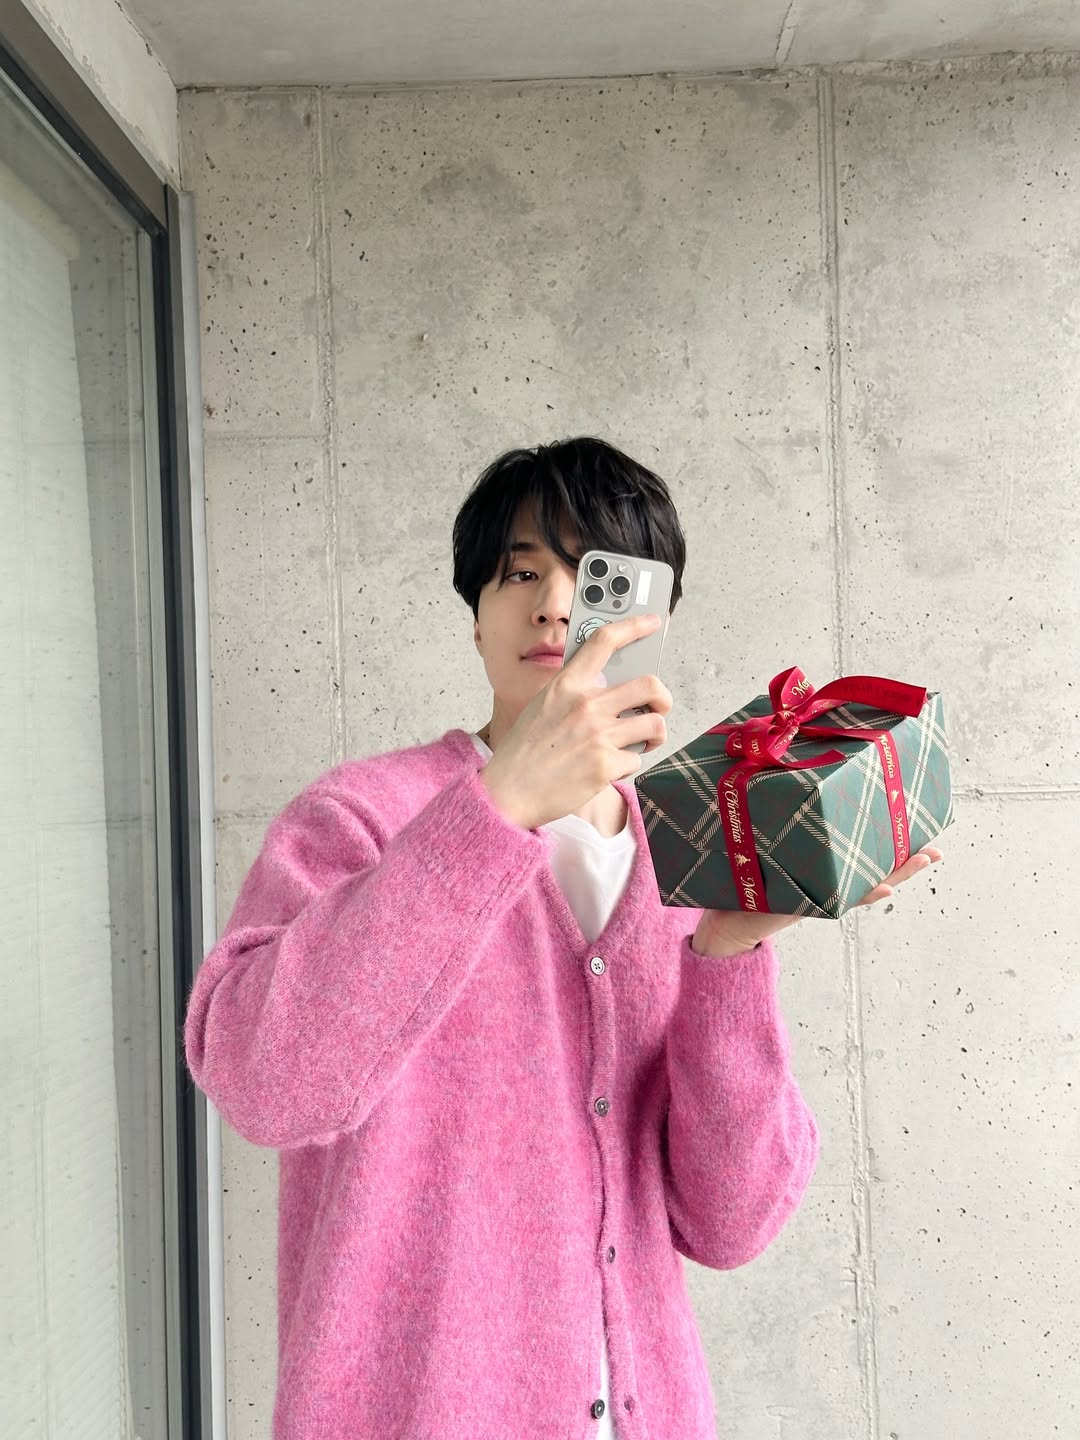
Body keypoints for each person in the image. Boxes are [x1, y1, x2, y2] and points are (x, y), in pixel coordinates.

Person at [183, 436, 942, 1440]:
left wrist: (727, 949)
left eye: (593, 575)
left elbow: (730, 1223)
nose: (552, 604)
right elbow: (264, 1083)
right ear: (477, 614)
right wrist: (494, 810)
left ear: (648, 610)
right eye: (520, 573)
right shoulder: (361, 818)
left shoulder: (684, 855)